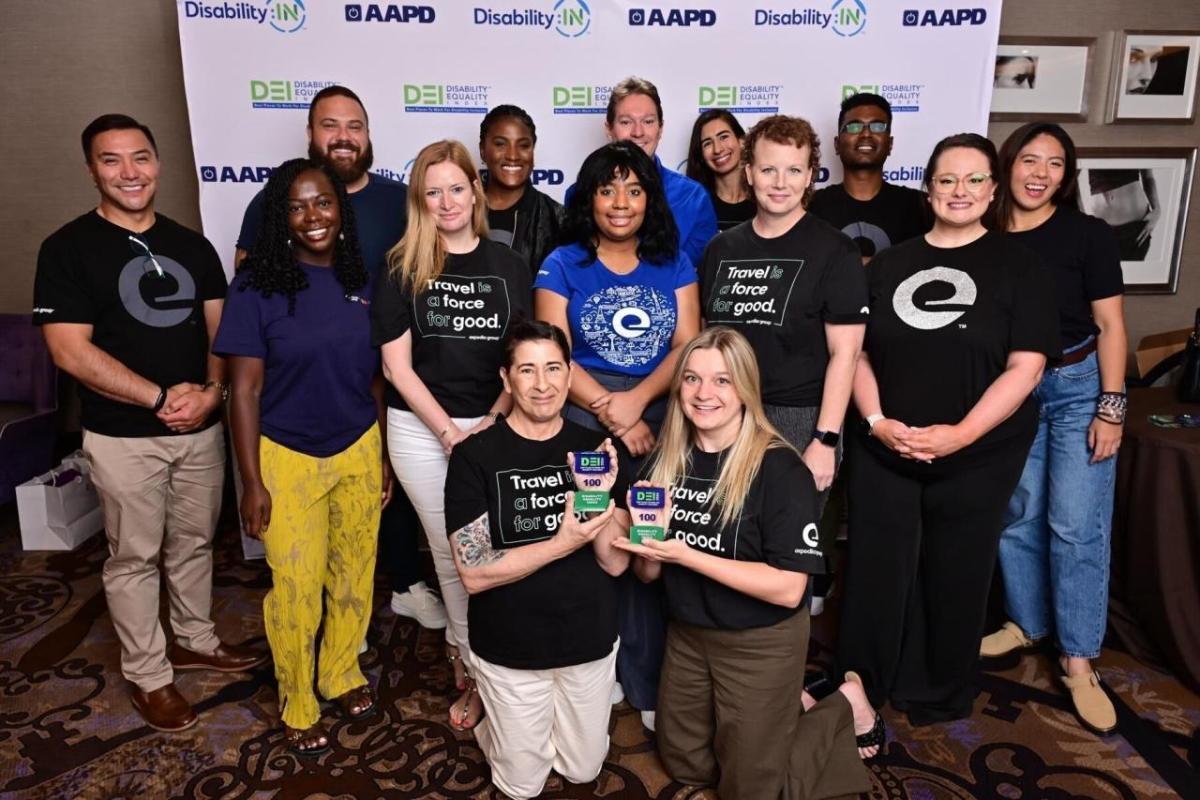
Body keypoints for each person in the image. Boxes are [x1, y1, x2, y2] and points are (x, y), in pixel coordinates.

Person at [34, 114, 266, 732]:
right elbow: (69, 350)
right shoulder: (66, 249)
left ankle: (194, 638)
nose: (129, 173)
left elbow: (225, 331)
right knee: (133, 556)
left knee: (192, 544)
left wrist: (213, 393)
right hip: (122, 436)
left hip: (200, 429)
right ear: (91, 170)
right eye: (111, 161)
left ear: (158, 163)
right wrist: (160, 397)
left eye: (140, 158)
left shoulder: (191, 245)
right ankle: (149, 674)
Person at [837, 133, 1059, 726]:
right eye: (946, 180)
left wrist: (960, 435)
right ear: (928, 188)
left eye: (974, 180)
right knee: (877, 564)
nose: (959, 191)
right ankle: (862, 681)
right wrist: (878, 422)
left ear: (992, 191)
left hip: (980, 450)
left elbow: (1027, 366)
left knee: (956, 565)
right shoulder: (888, 263)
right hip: (885, 445)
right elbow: (855, 355)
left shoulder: (1022, 266)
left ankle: (936, 688)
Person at [613, 327, 875, 800]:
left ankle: (842, 705)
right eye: (691, 379)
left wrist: (685, 553)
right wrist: (646, 547)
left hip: (760, 641)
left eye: (721, 381)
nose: (703, 393)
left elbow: (788, 589)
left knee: (750, 790)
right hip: (689, 633)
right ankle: (782, 707)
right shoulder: (663, 463)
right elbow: (647, 573)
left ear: (745, 389)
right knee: (685, 764)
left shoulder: (780, 469)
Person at [234, 85, 445, 634]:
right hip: (295, 402)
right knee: (301, 566)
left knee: (378, 512)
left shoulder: (398, 200)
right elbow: (249, 289)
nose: (343, 136)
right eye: (330, 125)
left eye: (355, 125)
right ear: (311, 134)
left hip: (380, 377)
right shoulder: (270, 204)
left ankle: (400, 589)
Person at [216, 158, 390, 755]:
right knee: (295, 586)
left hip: (360, 449)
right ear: (280, 217)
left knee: (353, 575)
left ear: (342, 209)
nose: (312, 216)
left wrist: (384, 455)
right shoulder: (256, 286)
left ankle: (340, 670)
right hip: (285, 456)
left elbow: (376, 380)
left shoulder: (361, 279)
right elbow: (243, 390)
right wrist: (250, 481)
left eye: (323, 203)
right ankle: (297, 697)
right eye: (296, 206)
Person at [536, 140, 700, 727]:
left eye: (634, 189)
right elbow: (554, 354)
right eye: (608, 189)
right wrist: (613, 413)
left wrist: (637, 404)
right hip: (584, 420)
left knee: (649, 548)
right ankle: (594, 670)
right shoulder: (562, 263)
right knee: (591, 544)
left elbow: (686, 346)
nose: (621, 202)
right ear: (590, 199)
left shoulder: (674, 261)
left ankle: (647, 677)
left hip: (659, 416)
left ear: (650, 199)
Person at [372, 139, 532, 731]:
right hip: (420, 430)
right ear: (420, 199)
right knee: (457, 552)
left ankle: (485, 653)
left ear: (476, 191)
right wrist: (448, 434)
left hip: (495, 421)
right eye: (432, 191)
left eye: (456, 188)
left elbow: (523, 357)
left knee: (504, 548)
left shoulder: (510, 265)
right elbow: (396, 368)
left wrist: (491, 422)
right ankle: (474, 667)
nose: (446, 201)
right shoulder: (400, 266)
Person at [443, 320, 630, 799]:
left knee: (584, 770)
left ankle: (526, 729)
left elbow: (615, 565)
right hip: (511, 649)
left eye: (553, 369)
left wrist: (601, 497)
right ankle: (495, 716)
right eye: (527, 370)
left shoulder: (597, 452)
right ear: (506, 380)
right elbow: (474, 574)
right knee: (522, 786)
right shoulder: (474, 456)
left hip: (587, 641)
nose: (542, 384)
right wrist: (563, 541)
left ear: (570, 376)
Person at [982, 123, 1128, 736]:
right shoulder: (982, 234)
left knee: (1074, 524)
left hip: (1075, 389)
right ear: (1008, 166)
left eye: (1055, 165)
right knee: (1017, 513)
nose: (1040, 173)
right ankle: (1028, 623)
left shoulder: (1086, 235)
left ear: (1066, 178)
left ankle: (1077, 658)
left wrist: (1111, 407)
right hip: (1011, 391)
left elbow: (1112, 327)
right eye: (1030, 160)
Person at [699, 114, 867, 616]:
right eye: (769, 169)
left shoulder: (834, 250)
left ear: (813, 174)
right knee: (728, 544)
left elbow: (847, 353)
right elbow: (711, 344)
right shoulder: (721, 250)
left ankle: (782, 683)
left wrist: (826, 441)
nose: (780, 183)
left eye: (794, 171)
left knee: (786, 563)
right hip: (727, 417)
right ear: (748, 171)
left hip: (799, 420)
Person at [566, 76, 718, 268]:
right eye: (626, 122)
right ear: (609, 129)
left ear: (660, 128)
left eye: (648, 121)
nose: (638, 132)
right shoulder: (580, 192)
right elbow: (576, 266)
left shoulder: (693, 197)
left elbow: (696, 277)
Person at [809, 93, 930, 264]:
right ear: (836, 144)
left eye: (878, 127)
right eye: (854, 127)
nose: (866, 134)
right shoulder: (811, 207)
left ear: (890, 144)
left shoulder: (920, 206)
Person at [479, 104, 564, 276]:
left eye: (523, 145)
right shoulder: (458, 211)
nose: (513, 155)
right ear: (482, 150)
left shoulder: (557, 219)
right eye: (500, 144)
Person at [685, 109, 754, 230]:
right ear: (701, 154)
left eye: (723, 137)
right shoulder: (695, 205)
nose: (717, 149)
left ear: (741, 141)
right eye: (707, 143)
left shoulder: (764, 199)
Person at [1079, 168, 1160, 262]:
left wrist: (1157, 209)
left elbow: (1148, 176)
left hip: (1137, 232)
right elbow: (1071, 179)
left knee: (1132, 274)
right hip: (1100, 235)